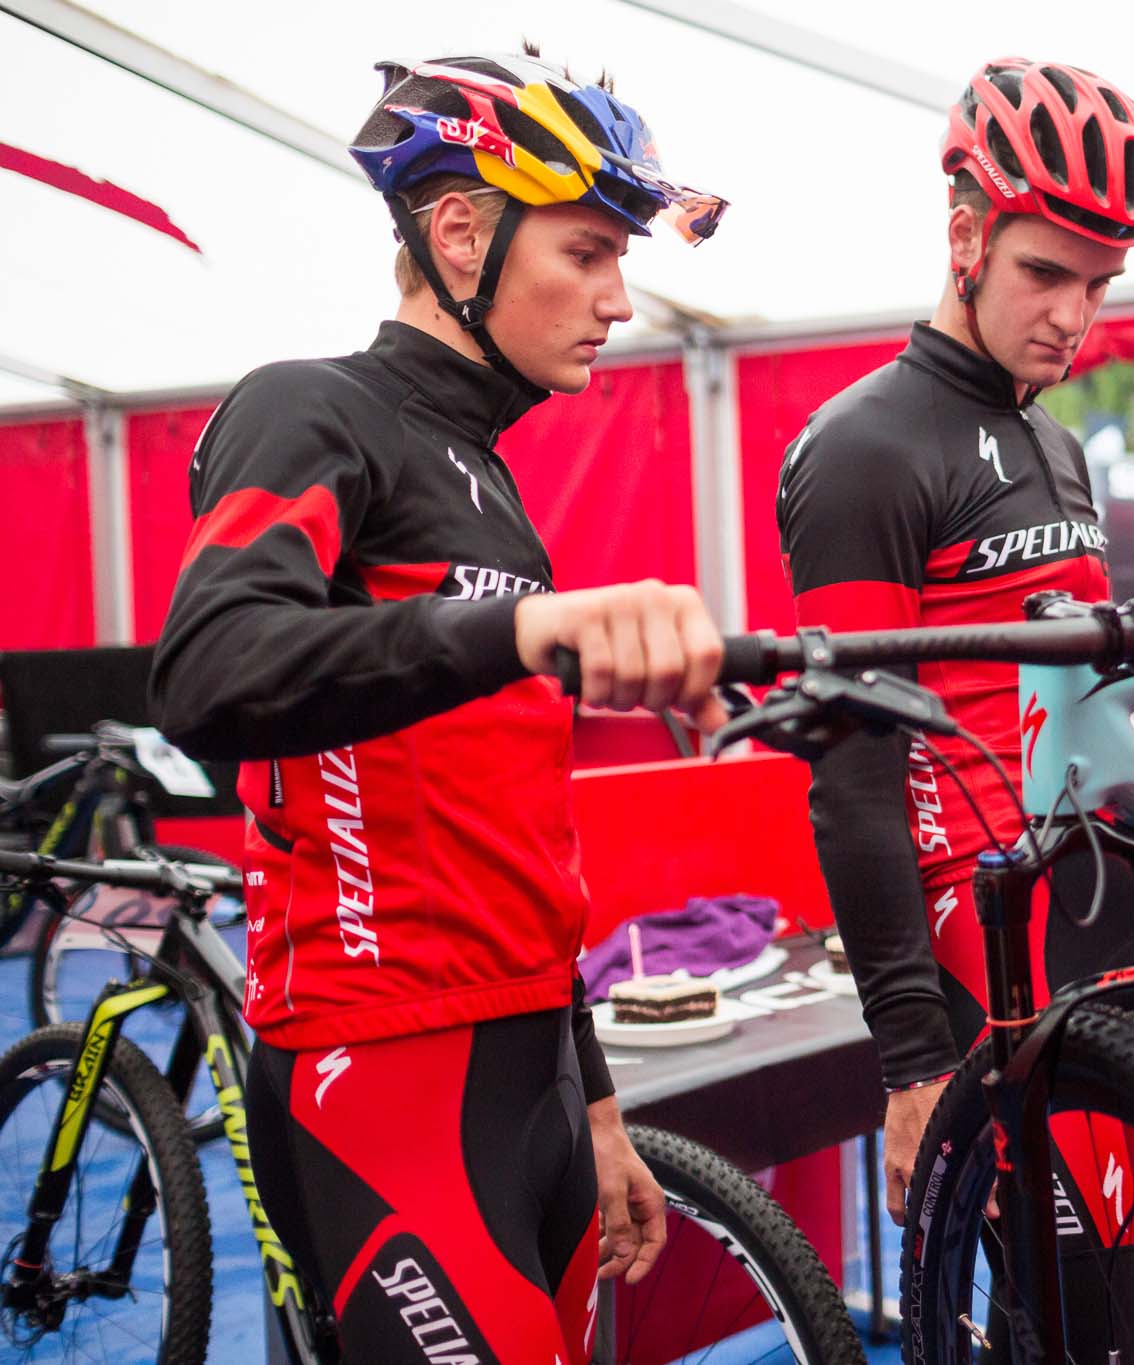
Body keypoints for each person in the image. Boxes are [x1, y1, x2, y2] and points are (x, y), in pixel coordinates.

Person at [149, 49, 729, 1363]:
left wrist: (593, 1102)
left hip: (532, 1067)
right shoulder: (307, 407)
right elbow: (208, 666)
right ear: (460, 232)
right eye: (587, 252)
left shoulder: (487, 474)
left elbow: (511, 823)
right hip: (381, 1067)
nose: (618, 298)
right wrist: (522, 628)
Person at [776, 56, 1134, 1350]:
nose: (1074, 316)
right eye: (1046, 273)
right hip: (973, 941)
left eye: (1100, 285)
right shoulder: (863, 446)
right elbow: (850, 774)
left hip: (1092, 915)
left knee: (1109, 1317)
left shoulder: (1057, 442)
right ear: (966, 235)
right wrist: (908, 1063)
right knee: (1078, 1318)